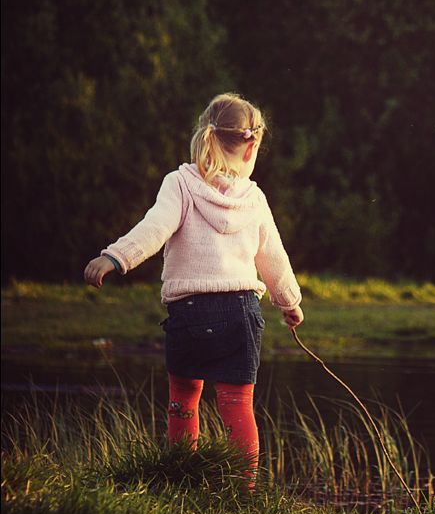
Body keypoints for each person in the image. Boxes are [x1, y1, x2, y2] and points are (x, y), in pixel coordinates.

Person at [84, 92, 303, 485]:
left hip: (188, 312)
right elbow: (274, 257)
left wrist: (115, 257)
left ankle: (180, 479)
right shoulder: (254, 199)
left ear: (206, 133)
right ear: (251, 145)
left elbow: (154, 229)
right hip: (241, 313)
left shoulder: (180, 183)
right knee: (237, 403)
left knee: (183, 399)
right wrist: (290, 302)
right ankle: (244, 489)